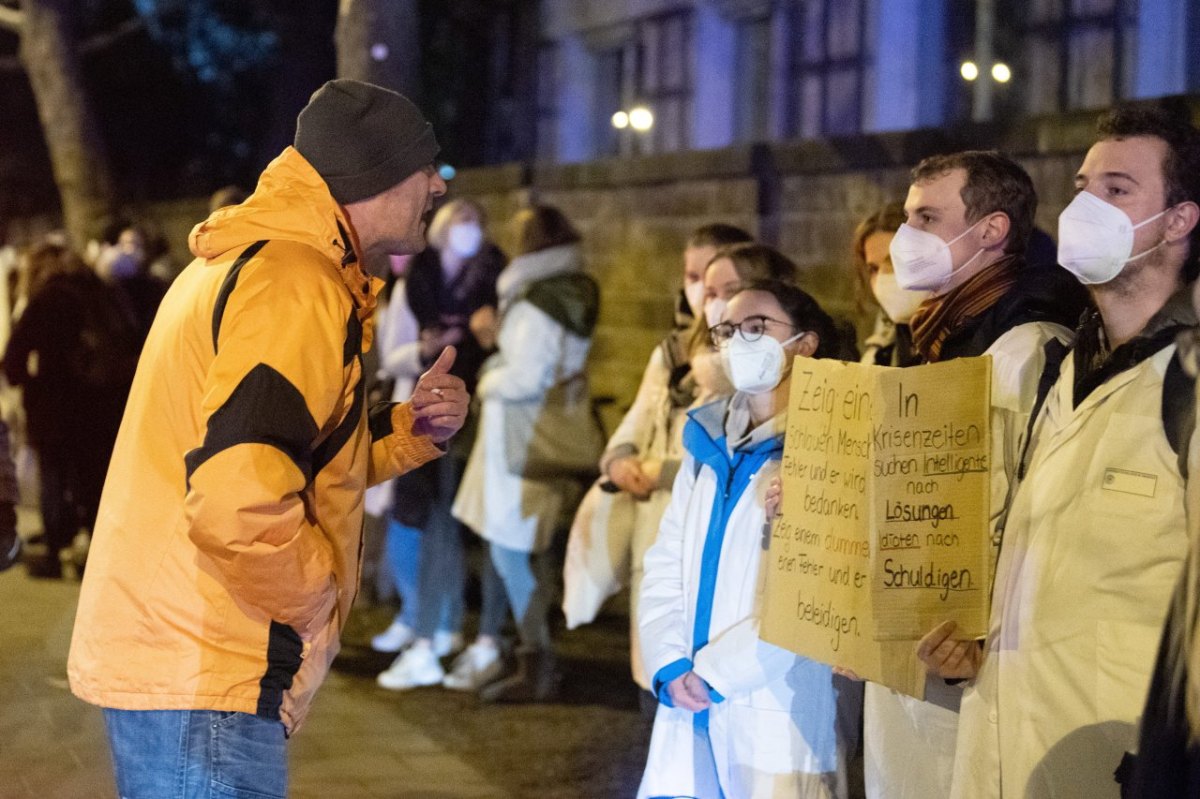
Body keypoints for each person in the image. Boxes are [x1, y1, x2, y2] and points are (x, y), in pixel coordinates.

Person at [66, 79, 469, 798]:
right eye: (425, 165)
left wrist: (408, 431)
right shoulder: (293, 281)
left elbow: (285, 460)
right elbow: (238, 503)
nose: (438, 186)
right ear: (374, 174)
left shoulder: (255, 263)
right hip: (207, 662)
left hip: (182, 655)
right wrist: (315, 607)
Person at [923, 107, 1200, 798]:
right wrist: (978, 644)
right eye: (1082, 185)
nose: (1084, 206)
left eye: (1116, 189)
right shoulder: (1064, 363)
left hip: (1121, 760)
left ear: (1178, 220)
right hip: (1007, 744)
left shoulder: (1188, 384)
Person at [638, 278, 860, 798]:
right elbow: (666, 557)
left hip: (777, 703)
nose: (740, 341)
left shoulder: (831, 445)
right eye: (728, 330)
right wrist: (669, 662)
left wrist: (717, 674)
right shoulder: (707, 439)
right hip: (689, 692)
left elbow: (812, 596)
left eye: (758, 328)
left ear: (805, 343)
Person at [452, 204, 599, 703]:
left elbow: (525, 376)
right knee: (520, 549)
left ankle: (536, 660)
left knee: (512, 549)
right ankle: (530, 654)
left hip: (520, 439)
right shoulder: (561, 292)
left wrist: (486, 377)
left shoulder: (537, 302)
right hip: (526, 436)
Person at [597, 222, 752, 692]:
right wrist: (618, 458)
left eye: (721, 283)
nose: (704, 294)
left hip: (699, 516)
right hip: (657, 523)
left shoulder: (750, 360)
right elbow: (639, 418)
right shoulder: (670, 353)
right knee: (656, 661)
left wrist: (662, 471)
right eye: (694, 279)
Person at [375, 197, 507, 690]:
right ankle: (420, 621)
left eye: (477, 223)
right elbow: (391, 356)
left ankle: (442, 628)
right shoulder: (418, 283)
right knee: (419, 518)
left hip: (473, 412)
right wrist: (425, 351)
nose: (469, 232)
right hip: (421, 410)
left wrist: (485, 335)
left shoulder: (494, 278)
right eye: (462, 223)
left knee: (452, 521)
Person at [2, 242, 137, 578]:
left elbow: (13, 356)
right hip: (100, 402)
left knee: (53, 475)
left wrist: (28, 379)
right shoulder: (103, 294)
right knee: (93, 476)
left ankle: (55, 551)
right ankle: (97, 546)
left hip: (52, 404)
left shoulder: (46, 298)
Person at [852, 201, 924, 367]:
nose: (883, 278)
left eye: (893, 262)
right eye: (873, 269)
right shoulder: (880, 354)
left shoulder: (972, 341)